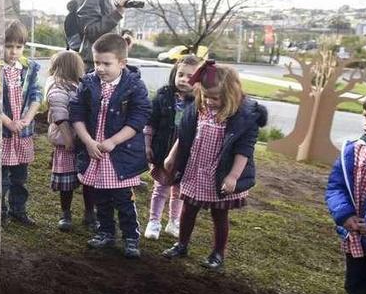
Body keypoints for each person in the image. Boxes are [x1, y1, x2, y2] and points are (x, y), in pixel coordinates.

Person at [162, 61, 267, 270]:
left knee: (219, 215)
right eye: (206, 96)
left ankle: (218, 253)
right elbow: (184, 134)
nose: (209, 101)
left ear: (231, 94)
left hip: (220, 174)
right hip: (196, 169)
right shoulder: (198, 108)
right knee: (188, 210)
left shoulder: (243, 117)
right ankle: (181, 244)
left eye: (215, 98)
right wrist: (172, 156)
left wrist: (233, 177)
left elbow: (244, 150)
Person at [69, 32, 151, 259]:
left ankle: (131, 237)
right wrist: (87, 142)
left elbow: (139, 118)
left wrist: (114, 141)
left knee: (123, 198)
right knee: (100, 197)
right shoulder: (88, 82)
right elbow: (76, 113)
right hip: (94, 151)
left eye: (107, 63)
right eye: (96, 63)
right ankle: (105, 232)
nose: (100, 68)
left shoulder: (134, 86)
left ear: (122, 63)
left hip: (120, 154)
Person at [327, 92, 366, 294]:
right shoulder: (353, 150)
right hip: (355, 234)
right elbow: (336, 186)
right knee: (356, 276)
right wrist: (344, 215)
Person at [142, 55, 202, 240]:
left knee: (179, 191)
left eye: (189, 77)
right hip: (163, 151)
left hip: (185, 155)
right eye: (180, 74)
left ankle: (174, 221)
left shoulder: (200, 102)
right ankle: (154, 221)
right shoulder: (163, 97)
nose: (184, 80)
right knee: (160, 188)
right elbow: (150, 123)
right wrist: (147, 145)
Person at [1, 20, 42, 226]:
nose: (13, 52)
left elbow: (36, 95)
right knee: (1, 178)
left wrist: (27, 119)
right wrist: (8, 122)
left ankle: (18, 209)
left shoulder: (29, 68)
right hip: (3, 133)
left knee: (20, 176)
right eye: (8, 46)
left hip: (23, 132)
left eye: (18, 47)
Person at [45, 50, 89, 232]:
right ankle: (66, 213)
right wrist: (69, 139)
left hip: (82, 140)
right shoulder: (57, 88)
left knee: (88, 179)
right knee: (67, 182)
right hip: (66, 142)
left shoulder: (78, 85)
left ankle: (89, 213)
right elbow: (60, 116)